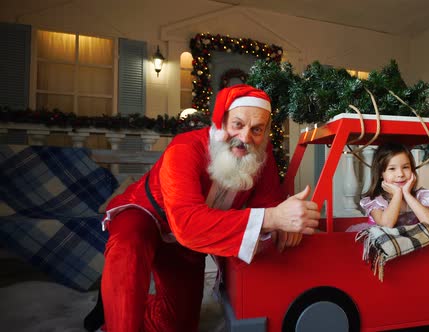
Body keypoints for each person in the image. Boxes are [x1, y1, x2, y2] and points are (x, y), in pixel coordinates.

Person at [96, 84, 320, 332]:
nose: (245, 138)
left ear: (265, 131)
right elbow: (187, 223)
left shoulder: (261, 154)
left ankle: (139, 309)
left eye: (257, 129)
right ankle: (117, 321)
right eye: (238, 124)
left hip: (192, 239)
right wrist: (272, 217)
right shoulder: (184, 148)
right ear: (221, 121)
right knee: (129, 246)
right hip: (148, 214)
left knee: (179, 324)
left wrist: (284, 223)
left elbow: (268, 202)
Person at [347, 143, 429, 232]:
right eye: (392, 169)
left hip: (409, 243)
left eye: (405, 167)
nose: (400, 174)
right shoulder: (376, 201)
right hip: (384, 244)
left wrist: (407, 194)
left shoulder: (419, 197)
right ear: (380, 173)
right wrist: (397, 194)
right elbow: (387, 225)